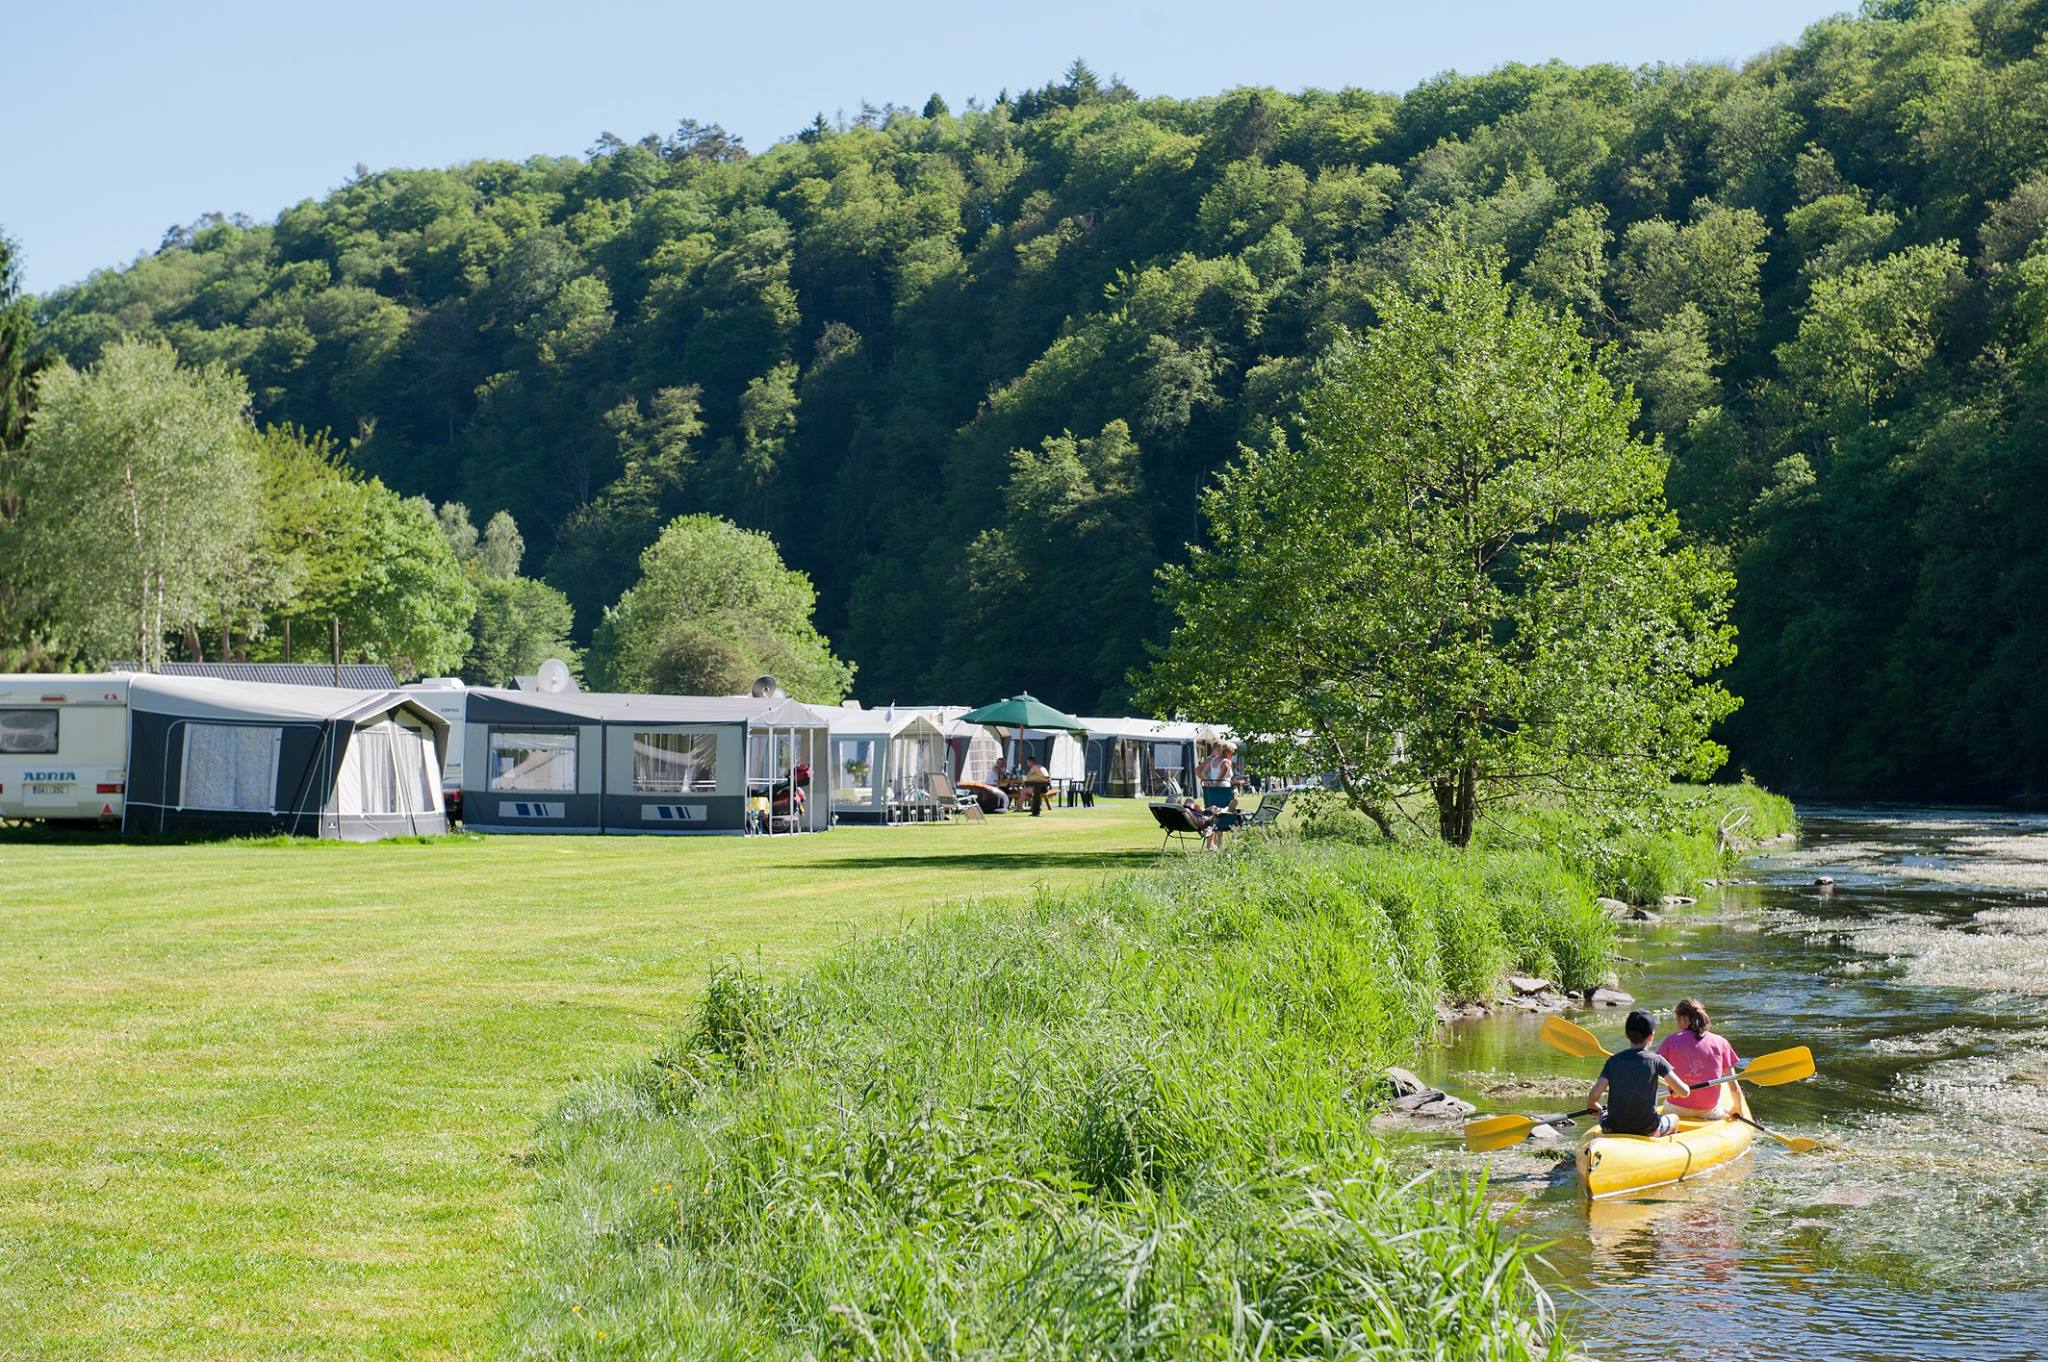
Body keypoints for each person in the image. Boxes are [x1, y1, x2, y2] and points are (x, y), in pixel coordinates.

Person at [1588, 1009, 1691, 1137]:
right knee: (1674, 1119)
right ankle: (1662, 1147)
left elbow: (1594, 1094)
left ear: (1627, 1035)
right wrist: (1676, 1092)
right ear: (1651, 1036)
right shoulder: (1657, 1060)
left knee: (1604, 1113)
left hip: (1613, 1127)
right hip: (1647, 1128)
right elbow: (1685, 1092)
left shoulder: (1613, 1061)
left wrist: (1595, 1106)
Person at [1658, 998, 1742, 1118]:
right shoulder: (1721, 1042)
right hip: (1708, 1112)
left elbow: (1654, 1072)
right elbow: (1733, 1086)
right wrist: (1737, 1108)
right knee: (1721, 1109)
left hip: (1674, 1109)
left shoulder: (1670, 1041)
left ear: (1682, 1018)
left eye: (1677, 1019)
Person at [1198, 743, 1236, 808]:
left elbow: (1203, 773)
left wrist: (1210, 783)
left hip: (1212, 791)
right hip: (1224, 791)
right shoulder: (1226, 762)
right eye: (1232, 753)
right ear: (1227, 752)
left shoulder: (1213, 760)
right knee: (1234, 802)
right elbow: (1219, 779)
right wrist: (1214, 785)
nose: (1232, 755)